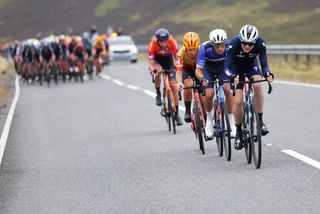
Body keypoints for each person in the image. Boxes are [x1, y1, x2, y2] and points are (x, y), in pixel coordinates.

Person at [224, 24, 274, 150]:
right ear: (240, 40)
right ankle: (239, 132)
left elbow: (264, 63)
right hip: (236, 69)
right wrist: (232, 76)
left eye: (250, 44)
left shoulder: (260, 44)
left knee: (257, 86)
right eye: (244, 43)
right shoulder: (232, 44)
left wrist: (267, 73)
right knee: (238, 101)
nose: (247, 46)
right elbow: (226, 67)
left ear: (255, 42)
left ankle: (260, 121)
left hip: (252, 66)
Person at [195, 29, 235, 139]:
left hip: (223, 69)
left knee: (227, 89)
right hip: (208, 70)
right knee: (208, 94)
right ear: (212, 44)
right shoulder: (204, 48)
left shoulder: (230, 46)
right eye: (217, 46)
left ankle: (231, 121)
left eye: (222, 45)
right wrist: (202, 78)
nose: (220, 48)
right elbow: (198, 70)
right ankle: (209, 119)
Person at [148, 28, 182, 126]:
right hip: (157, 62)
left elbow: (177, 58)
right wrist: (153, 69)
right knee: (157, 72)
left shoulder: (172, 42)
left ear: (168, 39)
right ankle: (158, 94)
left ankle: (176, 114)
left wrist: (177, 68)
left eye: (165, 42)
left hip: (168, 62)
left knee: (173, 85)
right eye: (161, 42)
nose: (163, 44)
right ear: (157, 40)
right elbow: (151, 62)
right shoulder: (152, 45)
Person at [176, 32, 201, 123]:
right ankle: (187, 110)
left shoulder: (202, 51)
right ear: (185, 47)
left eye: (194, 49)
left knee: (203, 94)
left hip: (199, 69)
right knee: (188, 85)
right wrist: (179, 82)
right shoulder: (180, 53)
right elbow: (178, 71)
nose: (191, 52)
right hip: (187, 70)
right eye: (189, 49)